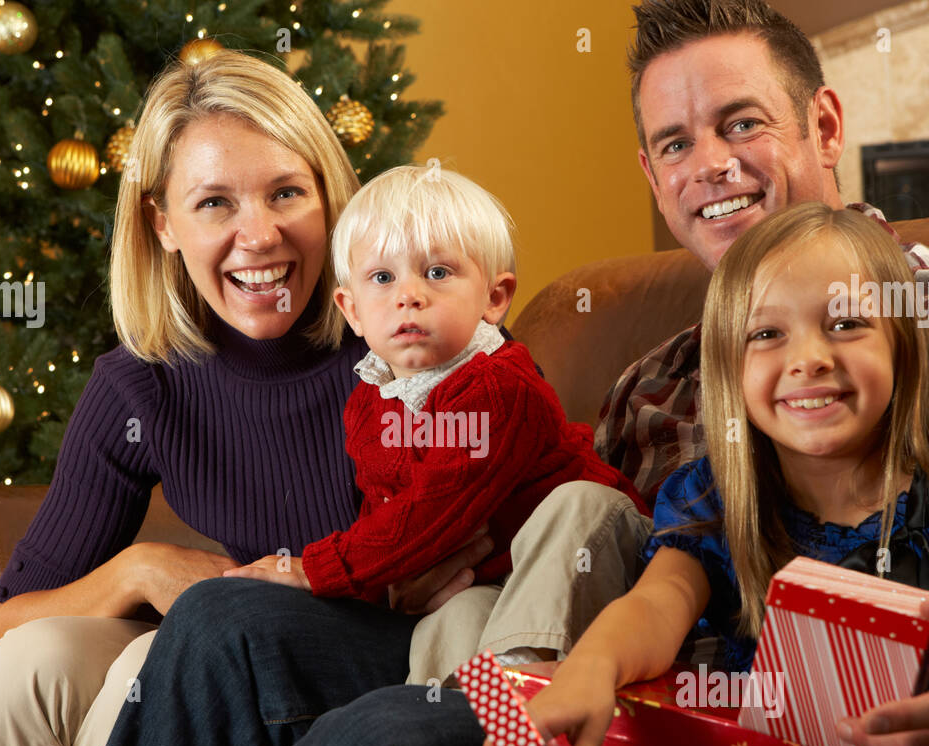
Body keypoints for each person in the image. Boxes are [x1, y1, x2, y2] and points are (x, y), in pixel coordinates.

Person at [213, 0, 929, 746]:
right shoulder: (652, 386)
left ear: (822, 126)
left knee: (384, 739)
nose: (708, 164)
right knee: (231, 625)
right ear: (651, 171)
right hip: (618, 723)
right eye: (675, 143)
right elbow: (640, 581)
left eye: (740, 123)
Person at [0, 50, 485, 746]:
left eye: (286, 193)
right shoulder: (143, 385)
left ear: (330, 197)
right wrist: (145, 569)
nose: (257, 235)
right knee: (21, 670)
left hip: (367, 650)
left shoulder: (410, 331)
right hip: (232, 632)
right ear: (163, 224)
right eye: (214, 202)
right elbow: (7, 615)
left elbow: (475, 545)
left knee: (151, 666)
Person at [414, 201, 929, 746]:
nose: (809, 359)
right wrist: (592, 667)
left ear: (903, 347)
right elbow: (657, 602)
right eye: (766, 335)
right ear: (728, 369)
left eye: (846, 323)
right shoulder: (716, 501)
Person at [225, 165, 648, 684]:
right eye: (383, 278)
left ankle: (526, 689)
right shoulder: (368, 404)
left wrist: (316, 568)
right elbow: (382, 509)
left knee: (580, 504)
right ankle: (454, 728)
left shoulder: (497, 387)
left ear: (495, 298)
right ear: (352, 310)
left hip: (603, 562)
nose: (409, 295)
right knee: (456, 617)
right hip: (496, 587)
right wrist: (380, 590)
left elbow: (435, 510)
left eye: (438, 273)